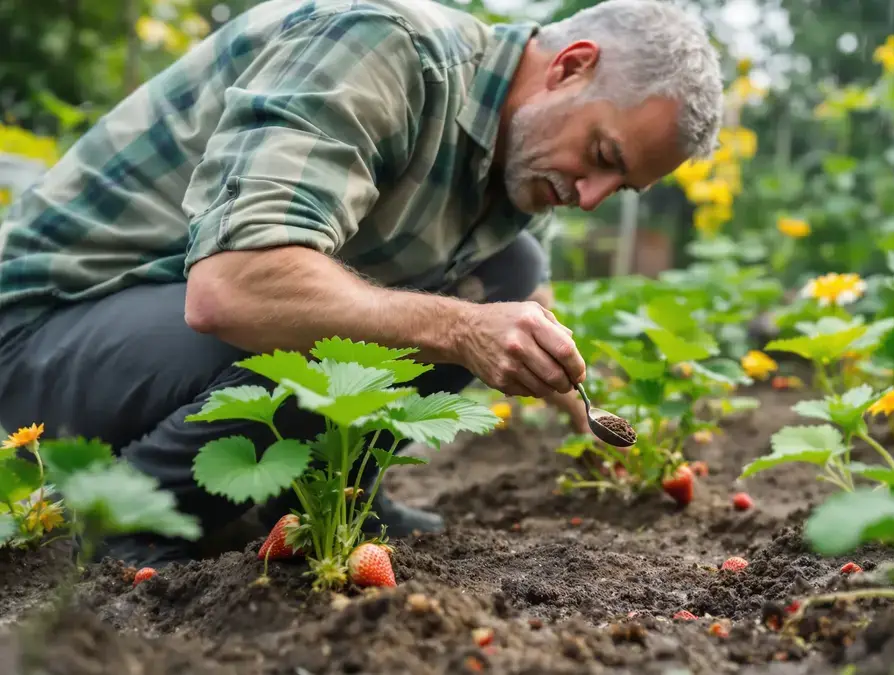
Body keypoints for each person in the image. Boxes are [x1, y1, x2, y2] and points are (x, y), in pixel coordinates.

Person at [0, 0, 724, 567]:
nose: (592, 195)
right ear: (570, 66)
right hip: (40, 340)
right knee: (364, 320)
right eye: (601, 155)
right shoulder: (384, 49)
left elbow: (525, 299)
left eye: (618, 187)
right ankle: (122, 523)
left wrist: (600, 422)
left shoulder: (518, 157)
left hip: (146, 340)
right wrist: (464, 330)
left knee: (506, 276)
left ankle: (326, 497)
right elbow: (234, 289)